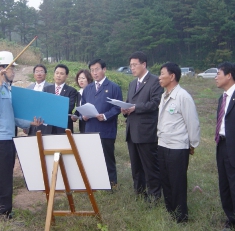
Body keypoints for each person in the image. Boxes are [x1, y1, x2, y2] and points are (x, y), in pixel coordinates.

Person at [0, 51, 42, 218]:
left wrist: (30, 123)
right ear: (2, 68)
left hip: (8, 137)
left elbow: (12, 116)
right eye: (12, 69)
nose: (14, 72)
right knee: (4, 177)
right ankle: (3, 213)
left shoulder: (7, 89)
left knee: (0, 175)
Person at [157, 62, 200, 223]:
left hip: (177, 146)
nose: (159, 77)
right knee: (165, 180)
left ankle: (181, 217)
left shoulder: (183, 96)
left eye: (162, 74)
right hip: (162, 144)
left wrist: (192, 143)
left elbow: (192, 122)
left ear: (172, 76)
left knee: (177, 182)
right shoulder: (164, 95)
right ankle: (171, 211)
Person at [121, 51, 163, 200]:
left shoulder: (155, 81)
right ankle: (139, 192)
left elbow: (156, 103)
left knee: (150, 165)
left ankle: (154, 195)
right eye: (130, 65)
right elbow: (128, 102)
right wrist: (125, 110)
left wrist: (135, 108)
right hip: (132, 130)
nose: (132, 68)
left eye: (134, 65)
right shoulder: (132, 84)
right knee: (136, 165)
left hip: (146, 131)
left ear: (144, 64)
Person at [81, 58, 122, 187]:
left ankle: (111, 183)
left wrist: (105, 116)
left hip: (106, 129)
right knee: (92, 158)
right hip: (90, 128)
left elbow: (118, 107)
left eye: (97, 69)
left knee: (107, 157)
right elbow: (82, 106)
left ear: (104, 69)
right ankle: (94, 182)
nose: (94, 73)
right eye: (92, 70)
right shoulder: (88, 89)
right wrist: (84, 116)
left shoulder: (113, 87)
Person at [214, 62, 235, 229]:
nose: (216, 77)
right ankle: (230, 217)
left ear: (229, 75)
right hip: (221, 144)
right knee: (224, 183)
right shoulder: (222, 97)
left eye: (218, 73)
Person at [43, 64, 77, 134]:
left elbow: (69, 107)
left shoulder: (71, 91)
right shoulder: (47, 89)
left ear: (66, 76)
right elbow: (44, 106)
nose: (58, 75)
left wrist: (51, 107)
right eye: (57, 73)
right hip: (49, 126)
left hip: (64, 127)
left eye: (61, 73)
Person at [25, 64, 52, 135]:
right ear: (34, 74)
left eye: (41, 71)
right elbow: (26, 107)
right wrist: (26, 125)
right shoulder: (28, 88)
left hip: (46, 123)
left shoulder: (51, 88)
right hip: (32, 123)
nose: (39, 74)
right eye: (36, 72)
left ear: (45, 74)